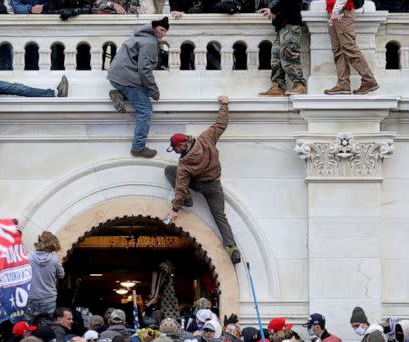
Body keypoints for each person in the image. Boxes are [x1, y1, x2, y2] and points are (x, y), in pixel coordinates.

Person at [163, 95, 241, 265]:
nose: (175, 151)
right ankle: (232, 248)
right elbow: (221, 124)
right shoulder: (205, 139)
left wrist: (175, 208)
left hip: (199, 185)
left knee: (169, 171)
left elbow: (180, 187)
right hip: (215, 185)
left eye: (175, 148)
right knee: (219, 216)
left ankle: (188, 200)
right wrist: (224, 104)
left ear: (181, 145)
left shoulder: (183, 165)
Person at [107, 17, 169, 158]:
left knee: (140, 93)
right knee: (145, 110)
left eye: (165, 31)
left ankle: (119, 94)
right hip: (127, 78)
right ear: (154, 28)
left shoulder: (139, 36)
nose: (163, 33)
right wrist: (154, 91)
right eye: (161, 29)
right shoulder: (149, 42)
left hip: (116, 77)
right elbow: (144, 70)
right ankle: (138, 148)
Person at [324, 0, 379, 95]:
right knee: (338, 49)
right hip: (334, 12)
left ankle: (369, 80)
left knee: (349, 47)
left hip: (342, 12)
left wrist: (336, 10)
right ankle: (343, 84)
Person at [257, 0, 306, 96]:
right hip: (283, 24)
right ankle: (278, 86)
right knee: (276, 56)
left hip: (290, 24)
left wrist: (272, 9)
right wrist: (272, 10)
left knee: (289, 55)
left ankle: (299, 84)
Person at [24, 231, 65, 324]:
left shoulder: (29, 257)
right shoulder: (54, 259)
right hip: (49, 298)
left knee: (28, 327)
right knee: (47, 328)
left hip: (31, 298)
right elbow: (61, 274)